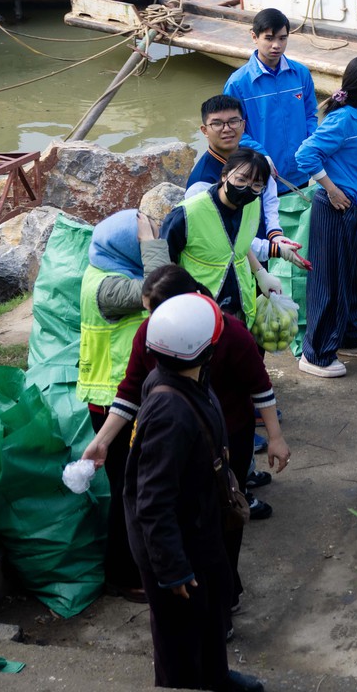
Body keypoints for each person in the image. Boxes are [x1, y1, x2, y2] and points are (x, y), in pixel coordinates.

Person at [88, 263, 288, 621]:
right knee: (189, 520)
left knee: (226, 516)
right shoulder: (151, 333)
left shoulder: (232, 334)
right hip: (182, 444)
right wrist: (103, 440)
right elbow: (130, 390)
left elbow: (261, 388)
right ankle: (196, 590)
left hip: (229, 441)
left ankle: (225, 595)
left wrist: (275, 438)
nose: (147, 318)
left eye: (153, 310)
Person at [121, 292, 265, 692]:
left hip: (199, 527)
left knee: (208, 615)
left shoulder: (185, 380)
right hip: (174, 545)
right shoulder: (170, 413)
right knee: (178, 639)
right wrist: (173, 568)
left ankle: (216, 677)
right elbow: (152, 503)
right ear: (206, 351)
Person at [76, 207, 163, 594]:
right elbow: (162, 289)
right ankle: (124, 576)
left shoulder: (110, 269)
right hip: (114, 401)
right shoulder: (109, 287)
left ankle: (138, 566)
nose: (151, 237)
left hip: (123, 397)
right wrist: (151, 244)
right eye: (142, 238)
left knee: (138, 488)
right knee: (132, 492)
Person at [292, 55, 357, 378]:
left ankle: (351, 336)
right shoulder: (343, 119)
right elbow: (305, 154)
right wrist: (331, 188)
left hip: (353, 210)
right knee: (329, 282)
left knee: (354, 277)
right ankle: (316, 354)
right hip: (335, 209)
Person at [158, 148, 292, 334]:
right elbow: (162, 261)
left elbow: (239, 246)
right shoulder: (188, 214)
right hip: (200, 310)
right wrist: (176, 301)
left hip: (241, 304)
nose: (247, 188)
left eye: (256, 185)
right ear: (224, 176)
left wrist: (261, 274)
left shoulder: (252, 204)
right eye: (241, 180)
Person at [189, 94, 307, 275]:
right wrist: (273, 249)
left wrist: (275, 235)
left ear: (243, 125)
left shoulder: (256, 160)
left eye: (233, 121)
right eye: (217, 123)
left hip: (262, 254)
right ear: (204, 130)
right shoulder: (201, 183)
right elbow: (221, 234)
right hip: (223, 268)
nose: (227, 129)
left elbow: (269, 200)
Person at [223, 7, 317, 191]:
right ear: (254, 37)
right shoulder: (238, 83)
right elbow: (232, 130)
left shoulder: (300, 74)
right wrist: (262, 156)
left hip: (300, 172)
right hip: (262, 175)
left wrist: (311, 145)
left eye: (282, 38)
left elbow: (310, 115)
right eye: (269, 38)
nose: (276, 45)